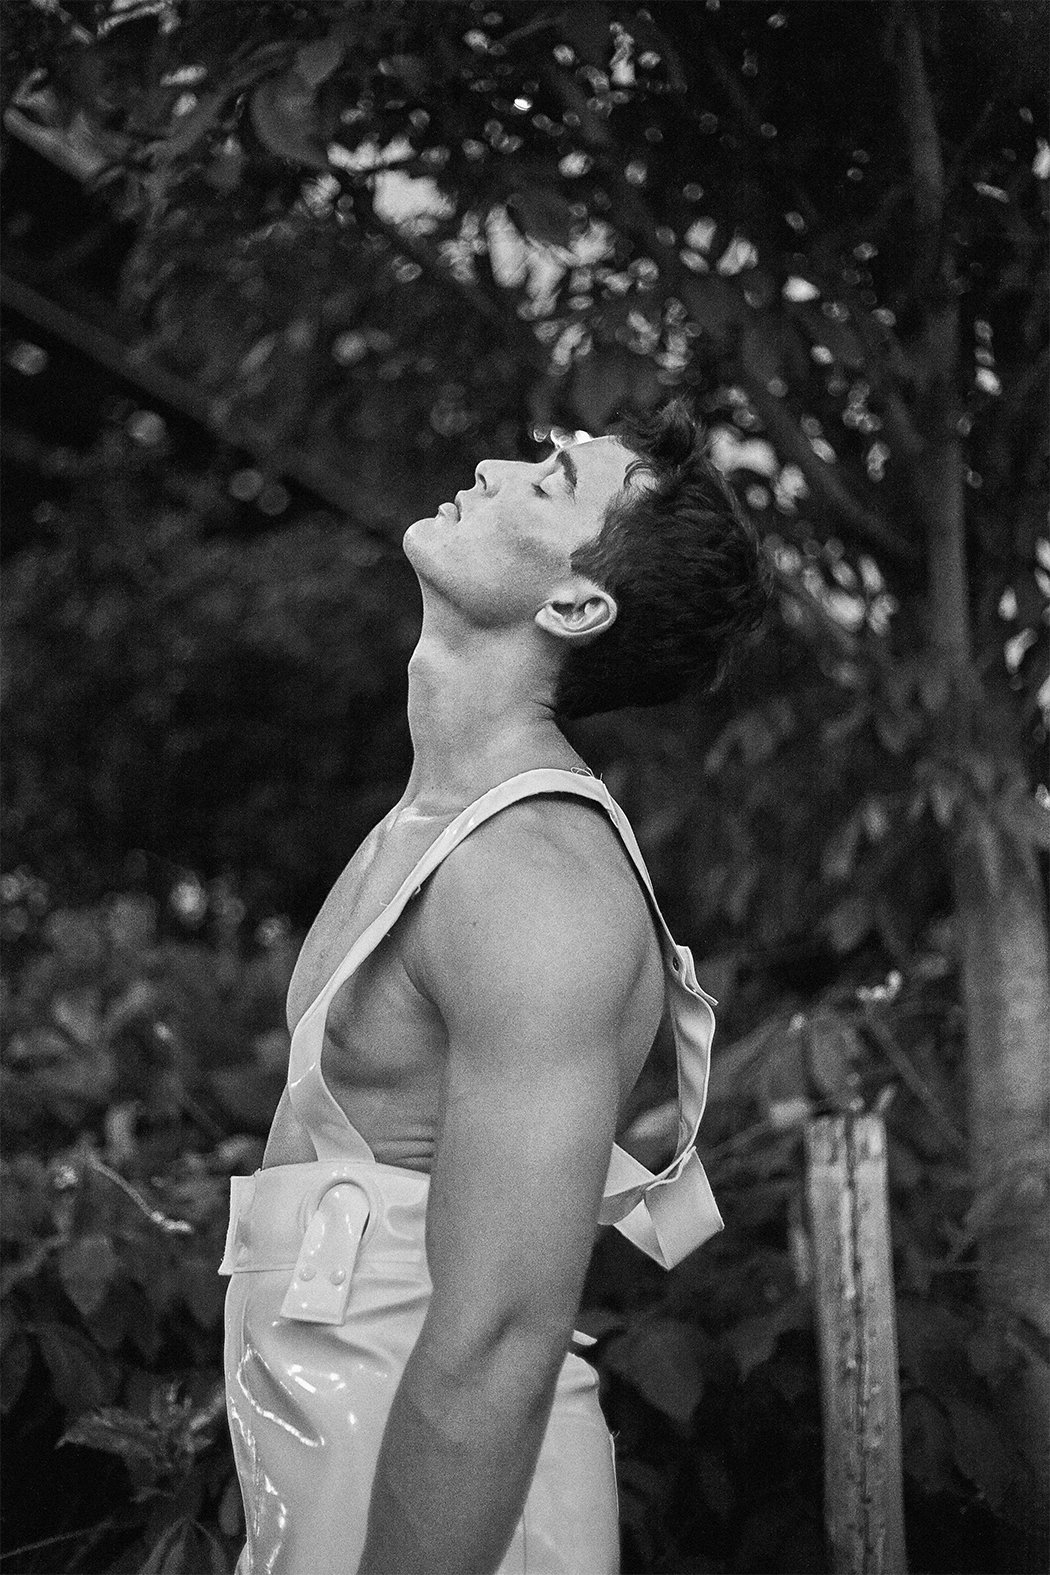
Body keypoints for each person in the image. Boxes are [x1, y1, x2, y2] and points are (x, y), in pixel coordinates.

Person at [220, 399, 771, 1575]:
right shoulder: (436, 825)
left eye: (552, 477)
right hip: (335, 1472)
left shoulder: (533, 877)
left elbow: (500, 1338)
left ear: (575, 606)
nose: (490, 465)